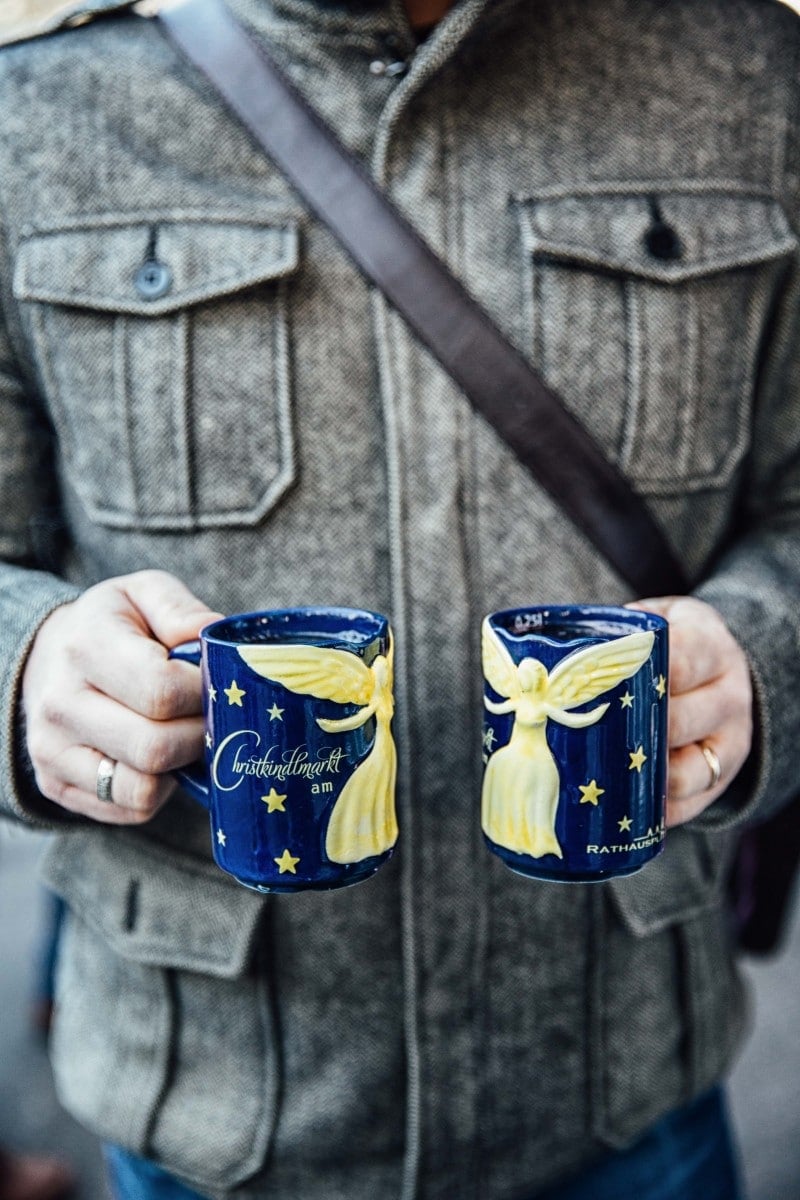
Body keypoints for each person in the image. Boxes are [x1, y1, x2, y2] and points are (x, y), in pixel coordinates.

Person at [0, 0, 797, 1197]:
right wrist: (28, 669)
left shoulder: (750, 80)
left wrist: (764, 662)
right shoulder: (38, 112)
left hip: (631, 1092)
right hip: (211, 1114)